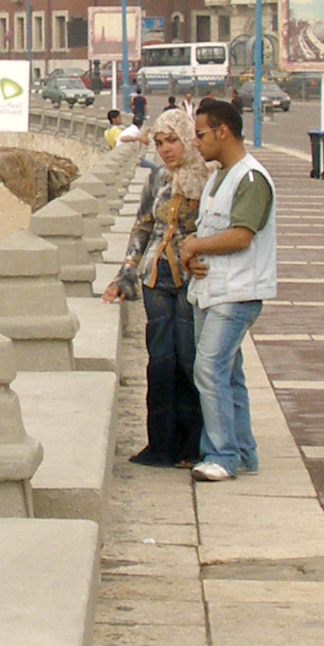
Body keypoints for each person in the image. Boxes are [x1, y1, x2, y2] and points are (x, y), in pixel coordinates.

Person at [179, 96, 279, 482]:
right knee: (228, 373)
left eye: (201, 134)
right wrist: (193, 252)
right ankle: (242, 450)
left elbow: (241, 235)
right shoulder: (218, 177)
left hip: (236, 294)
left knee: (209, 370)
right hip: (210, 290)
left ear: (224, 131)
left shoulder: (250, 178)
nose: (197, 142)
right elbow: (209, 231)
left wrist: (195, 246)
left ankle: (220, 455)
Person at [103, 109, 207, 467]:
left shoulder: (208, 178)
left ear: (188, 139)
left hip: (193, 279)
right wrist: (126, 271)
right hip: (155, 279)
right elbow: (142, 226)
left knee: (190, 360)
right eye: (160, 143)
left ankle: (194, 445)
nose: (166, 150)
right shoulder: (158, 178)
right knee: (160, 362)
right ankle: (161, 443)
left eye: (173, 141)